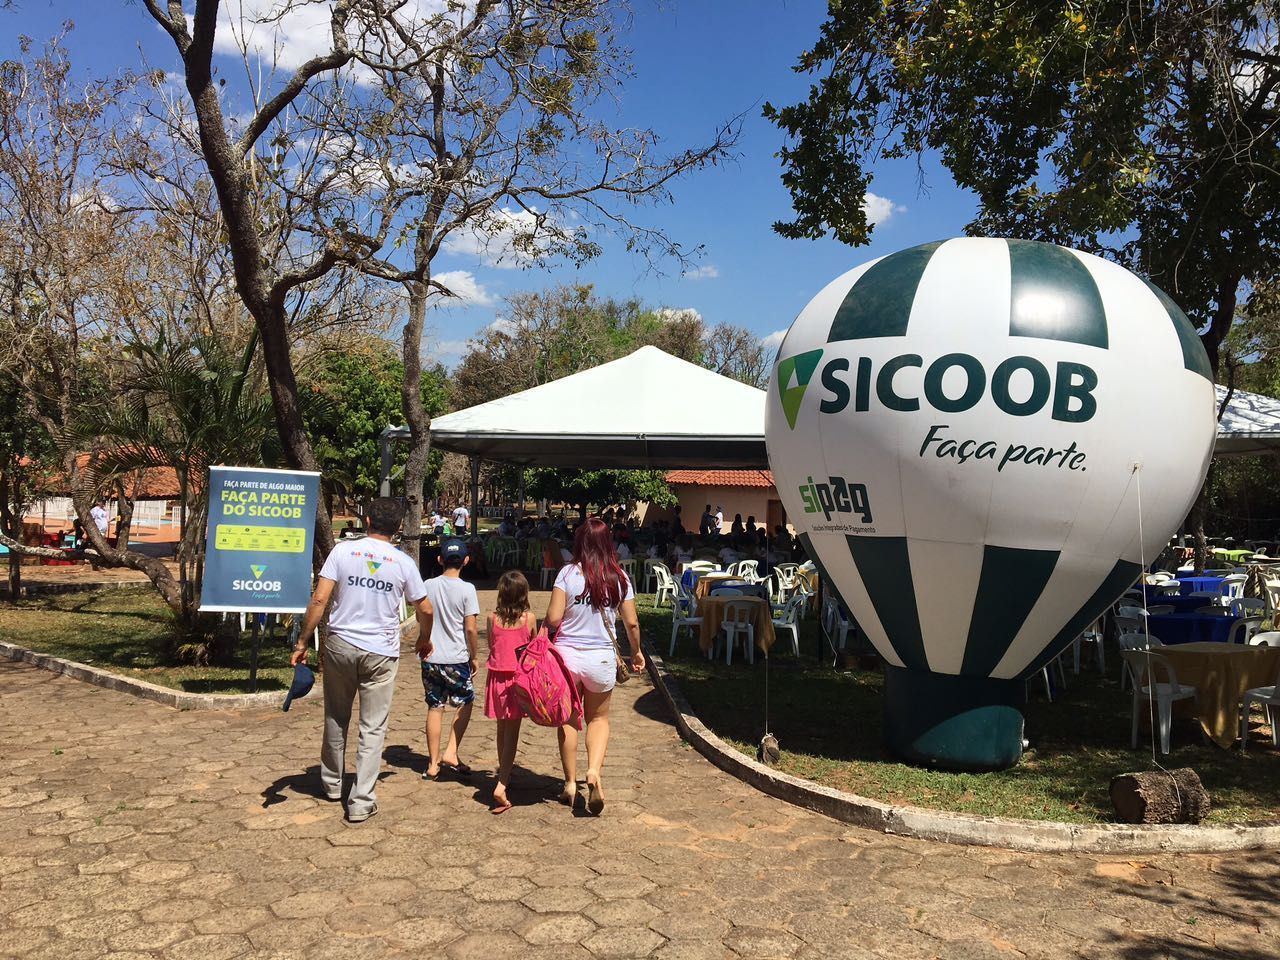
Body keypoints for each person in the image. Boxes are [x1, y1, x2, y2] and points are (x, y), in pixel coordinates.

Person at [293, 498, 433, 823]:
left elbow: (320, 599)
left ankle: (331, 784)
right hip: (381, 653)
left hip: (340, 646)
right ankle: (361, 801)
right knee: (373, 728)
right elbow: (425, 608)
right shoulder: (403, 562)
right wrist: (425, 638)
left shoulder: (343, 552)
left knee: (336, 716)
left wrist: (303, 641)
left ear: (367, 520)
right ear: (399, 528)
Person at [544, 518, 645, 816]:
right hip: (600, 658)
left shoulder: (567, 573)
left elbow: (553, 618)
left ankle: (569, 783)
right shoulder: (619, 577)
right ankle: (593, 772)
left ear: (579, 542)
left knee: (569, 718)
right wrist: (636, 653)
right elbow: (632, 622)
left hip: (566, 658)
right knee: (598, 719)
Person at [421, 538, 481, 780]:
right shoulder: (467, 589)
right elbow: (471, 628)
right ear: (466, 560)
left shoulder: (428, 585)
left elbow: (422, 616)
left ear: (440, 560)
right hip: (456, 657)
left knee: (435, 706)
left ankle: (432, 763)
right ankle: (451, 751)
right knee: (466, 701)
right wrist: (474, 656)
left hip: (431, 656)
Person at [486, 570, 535, 814]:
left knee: (501, 729)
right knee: (512, 734)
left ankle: (503, 771)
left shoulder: (492, 619)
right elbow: (534, 647)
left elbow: (492, 645)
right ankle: (502, 782)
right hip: (517, 681)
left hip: (496, 679)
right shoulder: (529, 619)